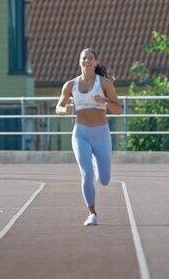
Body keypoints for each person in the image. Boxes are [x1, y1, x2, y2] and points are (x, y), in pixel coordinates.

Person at [55, 48, 122, 226]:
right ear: (80, 61)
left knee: (105, 180)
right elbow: (59, 107)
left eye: (91, 58)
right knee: (86, 174)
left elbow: (119, 109)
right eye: (84, 58)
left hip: (101, 133)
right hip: (81, 133)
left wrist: (105, 103)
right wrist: (65, 110)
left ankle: (96, 161)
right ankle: (92, 214)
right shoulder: (70, 85)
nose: (87, 61)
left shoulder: (105, 83)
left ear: (96, 62)